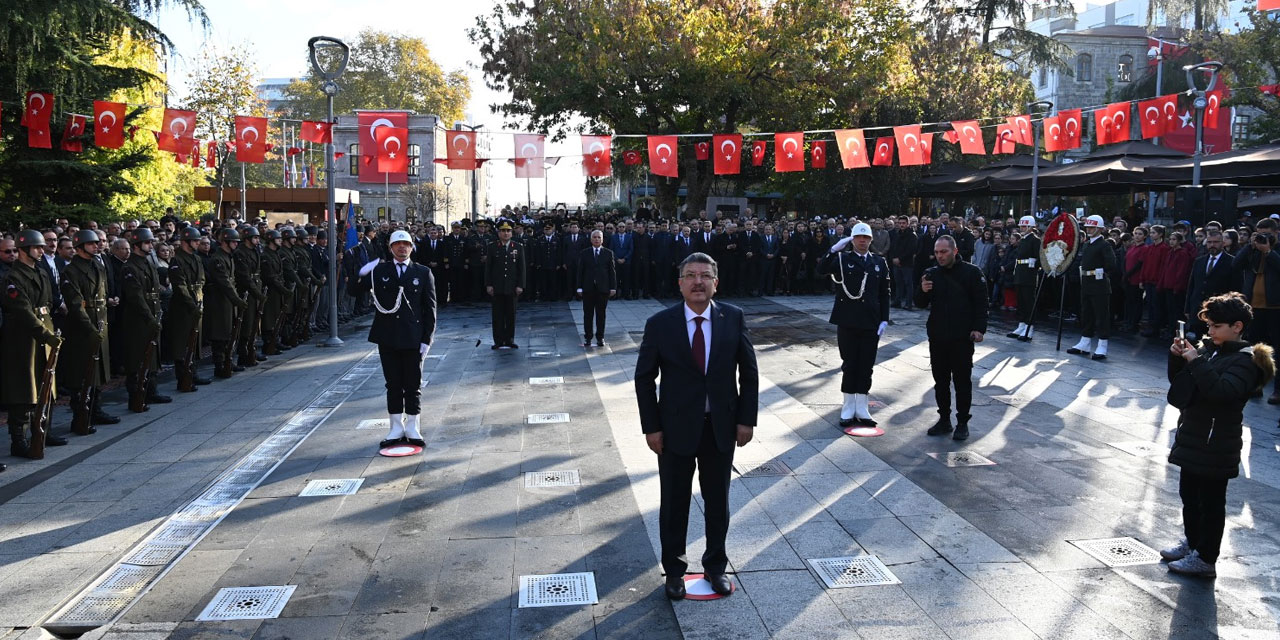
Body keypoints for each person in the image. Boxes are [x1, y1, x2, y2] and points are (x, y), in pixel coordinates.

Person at [634, 252, 758, 601]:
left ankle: (715, 566)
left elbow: (749, 374)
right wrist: (651, 427)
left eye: (705, 276)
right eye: (690, 275)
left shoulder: (733, 318)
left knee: (718, 501)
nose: (698, 282)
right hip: (674, 430)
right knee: (674, 503)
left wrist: (746, 419)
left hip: (721, 427)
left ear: (716, 283)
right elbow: (644, 378)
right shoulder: (661, 323)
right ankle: (674, 572)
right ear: (680, 283)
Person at [1163, 293, 1274, 577]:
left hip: (1216, 442)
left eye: (1216, 326)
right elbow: (1181, 387)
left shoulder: (1246, 360)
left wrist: (1196, 362)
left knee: (1211, 502)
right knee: (1189, 494)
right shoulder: (1209, 350)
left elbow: (1223, 393)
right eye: (1208, 326)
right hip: (1194, 434)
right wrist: (1178, 359)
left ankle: (1206, 558)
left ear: (1237, 326)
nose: (1209, 332)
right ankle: (1193, 543)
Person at [352, 230, 437, 448]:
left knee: (413, 384)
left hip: (413, 337)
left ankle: (413, 427)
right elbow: (354, 291)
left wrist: (427, 339)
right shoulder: (379, 271)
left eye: (406, 244)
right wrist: (363, 272)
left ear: (411, 247)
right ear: (390, 248)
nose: (402, 248)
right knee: (393, 384)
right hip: (388, 336)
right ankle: (396, 427)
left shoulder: (423, 272)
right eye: (397, 244)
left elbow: (430, 309)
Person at [817, 223, 890, 428]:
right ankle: (848, 406)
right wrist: (833, 250)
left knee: (866, 365)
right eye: (858, 237)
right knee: (850, 364)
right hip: (848, 320)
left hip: (871, 321)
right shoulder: (842, 259)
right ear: (852, 240)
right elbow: (821, 269)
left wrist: (885, 318)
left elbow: (885, 292)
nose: (862, 241)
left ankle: (862, 407)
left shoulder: (879, 262)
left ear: (871, 240)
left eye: (866, 238)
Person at [3, 230, 68, 459]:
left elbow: (47, 303)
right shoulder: (12, 279)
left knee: (45, 382)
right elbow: (22, 311)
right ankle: (18, 440)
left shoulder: (40, 272)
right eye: (37, 247)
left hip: (44, 332)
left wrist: (49, 333)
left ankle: (43, 431)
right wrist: (46, 334)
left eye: (42, 247)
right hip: (23, 339)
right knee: (24, 388)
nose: (42, 250)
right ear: (24, 250)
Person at [915, 235, 988, 440]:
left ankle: (962, 422)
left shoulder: (972, 273)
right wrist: (922, 290)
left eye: (944, 252)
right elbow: (919, 303)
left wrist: (979, 329)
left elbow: (981, 303)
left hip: (962, 337)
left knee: (962, 381)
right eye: (937, 252)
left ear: (954, 251)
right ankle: (944, 420)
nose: (940, 256)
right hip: (938, 336)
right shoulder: (930, 274)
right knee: (940, 381)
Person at [59, 229, 118, 434]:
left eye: (97, 243)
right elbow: (75, 305)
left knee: (98, 369)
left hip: (99, 321)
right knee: (82, 373)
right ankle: (80, 415)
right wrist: (90, 328)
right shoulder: (71, 271)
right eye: (91, 243)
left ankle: (96, 410)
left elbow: (103, 293)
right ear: (79, 247)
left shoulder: (97, 265)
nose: (96, 245)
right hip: (82, 327)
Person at [121, 228, 171, 412]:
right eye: (148, 242)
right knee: (138, 357)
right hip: (138, 319)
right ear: (137, 245)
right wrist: (150, 317)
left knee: (151, 354)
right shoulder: (130, 267)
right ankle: (136, 396)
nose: (151, 245)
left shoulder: (147, 263)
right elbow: (136, 297)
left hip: (151, 313)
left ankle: (151, 390)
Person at [1066, 215, 1118, 360]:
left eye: (1092, 227)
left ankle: (1102, 345)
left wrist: (1101, 271)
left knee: (1101, 315)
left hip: (1099, 284)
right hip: (1087, 282)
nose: (1089, 230)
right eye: (1088, 227)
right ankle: (1085, 341)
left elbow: (1112, 264)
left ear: (1100, 229)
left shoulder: (1104, 245)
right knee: (1086, 313)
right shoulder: (1087, 244)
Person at [167, 227, 210, 391]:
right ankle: (183, 377)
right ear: (185, 242)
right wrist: (192, 304)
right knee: (182, 343)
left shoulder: (196, 258)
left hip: (196, 302)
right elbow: (180, 286)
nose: (198, 243)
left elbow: (202, 279)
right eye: (195, 240)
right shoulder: (177, 260)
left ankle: (193, 373)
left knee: (194, 340)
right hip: (183, 307)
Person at [207, 228, 249, 378]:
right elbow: (224, 282)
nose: (236, 245)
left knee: (229, 332)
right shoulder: (218, 259)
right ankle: (220, 365)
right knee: (220, 334)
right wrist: (237, 300)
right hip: (220, 301)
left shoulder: (228, 256)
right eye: (233, 242)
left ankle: (228, 362)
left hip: (228, 300)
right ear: (224, 242)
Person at [1185, 231, 1235, 341]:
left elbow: (1235, 288)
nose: (1212, 245)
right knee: (1199, 342)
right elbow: (1192, 285)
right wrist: (1188, 308)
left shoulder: (1232, 262)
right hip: (1198, 309)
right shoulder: (1199, 261)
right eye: (1209, 242)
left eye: (1216, 242)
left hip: (1220, 310)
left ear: (1223, 243)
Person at [485, 221, 526, 349]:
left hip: (512, 286)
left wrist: (520, 285)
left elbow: (522, 268)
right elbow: (488, 268)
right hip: (497, 286)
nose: (506, 233)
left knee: (510, 314)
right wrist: (488, 284)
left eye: (508, 231)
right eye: (503, 231)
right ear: (499, 233)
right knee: (497, 315)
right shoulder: (492, 247)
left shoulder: (518, 247)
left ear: (511, 233)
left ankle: (509, 339)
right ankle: (498, 340)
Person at [576, 230, 616, 347]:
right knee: (587, 314)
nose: (597, 239)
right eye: (594, 237)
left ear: (602, 239)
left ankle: (600, 337)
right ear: (591, 239)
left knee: (601, 314)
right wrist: (579, 287)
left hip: (602, 289)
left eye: (599, 237)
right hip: (588, 289)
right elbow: (580, 271)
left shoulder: (608, 253)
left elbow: (612, 272)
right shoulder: (584, 253)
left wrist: (613, 287)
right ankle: (588, 337)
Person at [233, 226, 266, 367]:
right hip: (247, 291)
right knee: (246, 324)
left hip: (255, 289)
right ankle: (243, 353)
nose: (257, 240)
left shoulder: (254, 251)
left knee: (254, 323)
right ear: (247, 239)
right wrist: (257, 293)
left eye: (258, 237)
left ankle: (251, 349)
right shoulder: (241, 253)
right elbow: (245, 277)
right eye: (255, 237)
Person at [1008, 216, 1039, 341]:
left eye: (1024, 226)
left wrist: (1034, 264)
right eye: (1021, 226)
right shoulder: (1023, 240)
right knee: (1020, 301)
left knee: (1028, 301)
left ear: (1031, 227)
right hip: (1020, 272)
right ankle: (1022, 325)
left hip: (1029, 274)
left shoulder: (1035, 240)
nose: (1022, 228)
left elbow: (1040, 259)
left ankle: (1029, 327)